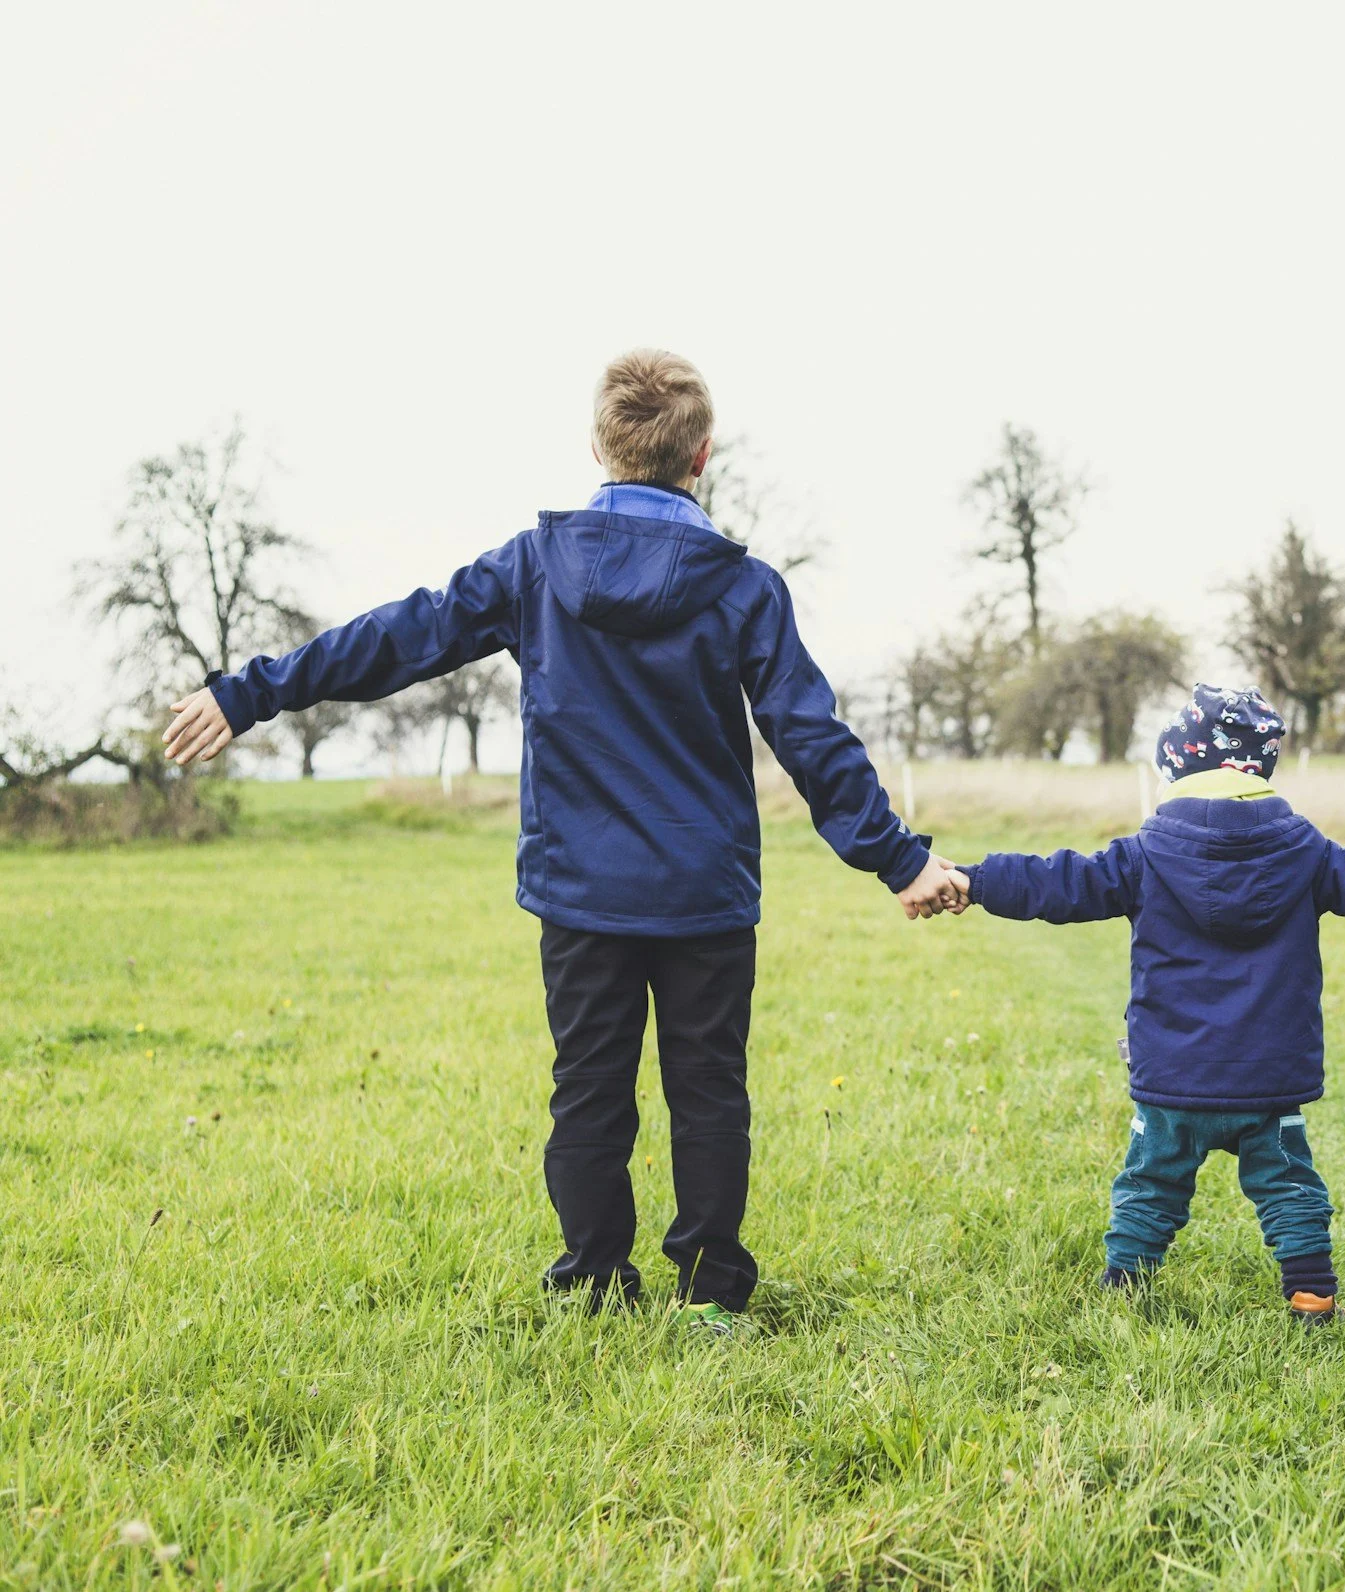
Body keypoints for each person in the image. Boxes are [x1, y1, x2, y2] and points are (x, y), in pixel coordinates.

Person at [159, 349, 967, 1332]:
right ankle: (710, 1294)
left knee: (588, 1093)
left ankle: (592, 1283)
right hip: (704, 891)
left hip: (582, 891)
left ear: (598, 444)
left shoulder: (536, 568)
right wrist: (900, 857)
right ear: (701, 454)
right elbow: (810, 735)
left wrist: (249, 692)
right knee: (707, 1089)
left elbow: (401, 636)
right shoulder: (745, 586)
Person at [951, 685, 1345, 1323]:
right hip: (1268, 1076)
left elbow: (1059, 882)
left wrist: (974, 880)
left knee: (1150, 1183)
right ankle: (1310, 1293)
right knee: (1288, 1187)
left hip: (1174, 1076)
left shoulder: (1143, 855)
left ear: (1177, 767)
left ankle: (1123, 1286)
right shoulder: (1306, 853)